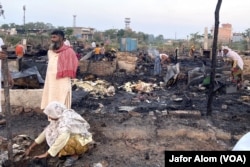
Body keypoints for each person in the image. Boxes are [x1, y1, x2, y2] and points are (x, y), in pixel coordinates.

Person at [24, 101, 93, 167]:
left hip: (81, 143)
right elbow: (46, 132)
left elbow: (60, 141)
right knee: (52, 133)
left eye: (50, 115)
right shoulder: (59, 117)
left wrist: (46, 154)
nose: (49, 117)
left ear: (55, 114)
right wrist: (31, 147)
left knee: (66, 143)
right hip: (70, 136)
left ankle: (74, 156)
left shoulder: (65, 123)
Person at [41, 30, 79, 110]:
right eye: (51, 37)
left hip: (63, 81)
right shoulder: (50, 52)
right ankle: (52, 120)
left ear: (61, 38)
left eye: (54, 37)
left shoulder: (69, 51)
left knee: (63, 102)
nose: (52, 39)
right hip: (51, 82)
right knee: (51, 101)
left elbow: (75, 64)